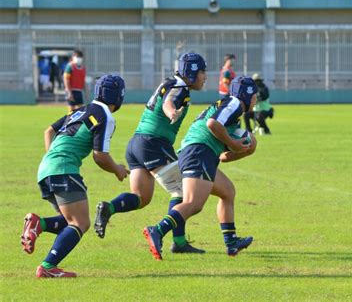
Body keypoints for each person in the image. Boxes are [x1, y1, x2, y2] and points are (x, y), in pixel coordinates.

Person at [94, 53, 207, 254]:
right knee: (184, 191)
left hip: (137, 144)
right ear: (191, 73)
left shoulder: (171, 82)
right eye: (202, 71)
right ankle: (178, 242)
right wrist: (171, 111)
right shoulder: (179, 87)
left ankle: (109, 208)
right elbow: (168, 102)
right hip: (154, 144)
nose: (205, 76)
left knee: (141, 197)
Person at [21, 75, 128, 278]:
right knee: (80, 223)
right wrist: (117, 170)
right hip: (63, 168)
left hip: (46, 168)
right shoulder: (105, 115)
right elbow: (100, 156)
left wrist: (51, 157)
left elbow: (48, 131)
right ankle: (47, 266)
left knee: (68, 220)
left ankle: (38, 224)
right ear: (118, 96)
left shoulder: (79, 110)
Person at [143, 76, 258, 261]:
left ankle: (231, 243)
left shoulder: (232, 113)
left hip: (201, 152)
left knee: (227, 191)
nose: (256, 100)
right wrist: (234, 143)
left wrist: (244, 150)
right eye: (255, 96)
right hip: (199, 151)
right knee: (193, 204)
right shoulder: (234, 103)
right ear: (248, 95)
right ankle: (157, 230)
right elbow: (212, 124)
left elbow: (223, 157)